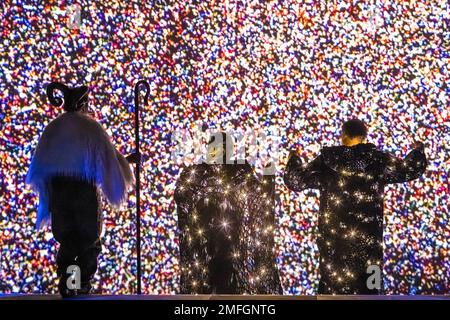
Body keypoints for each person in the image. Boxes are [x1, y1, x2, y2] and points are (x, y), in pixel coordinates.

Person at [283, 119, 427, 294]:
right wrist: (418, 151)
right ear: (364, 136)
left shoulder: (327, 162)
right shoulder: (377, 159)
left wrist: (294, 159)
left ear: (343, 135)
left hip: (335, 242)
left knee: (334, 290)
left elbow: (296, 181)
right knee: (370, 290)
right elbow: (409, 169)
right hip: (368, 240)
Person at [26, 82, 138, 297]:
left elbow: (42, 163)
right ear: (82, 103)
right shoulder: (90, 127)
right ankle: (81, 285)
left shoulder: (54, 128)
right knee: (88, 241)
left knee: (68, 241)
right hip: (84, 192)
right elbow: (108, 159)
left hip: (60, 192)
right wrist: (128, 162)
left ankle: (70, 286)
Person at [175, 132, 282, 294]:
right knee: (215, 280)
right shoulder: (202, 174)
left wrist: (268, 180)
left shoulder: (234, 171)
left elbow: (257, 196)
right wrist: (268, 180)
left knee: (221, 280)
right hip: (210, 241)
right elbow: (183, 195)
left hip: (225, 241)